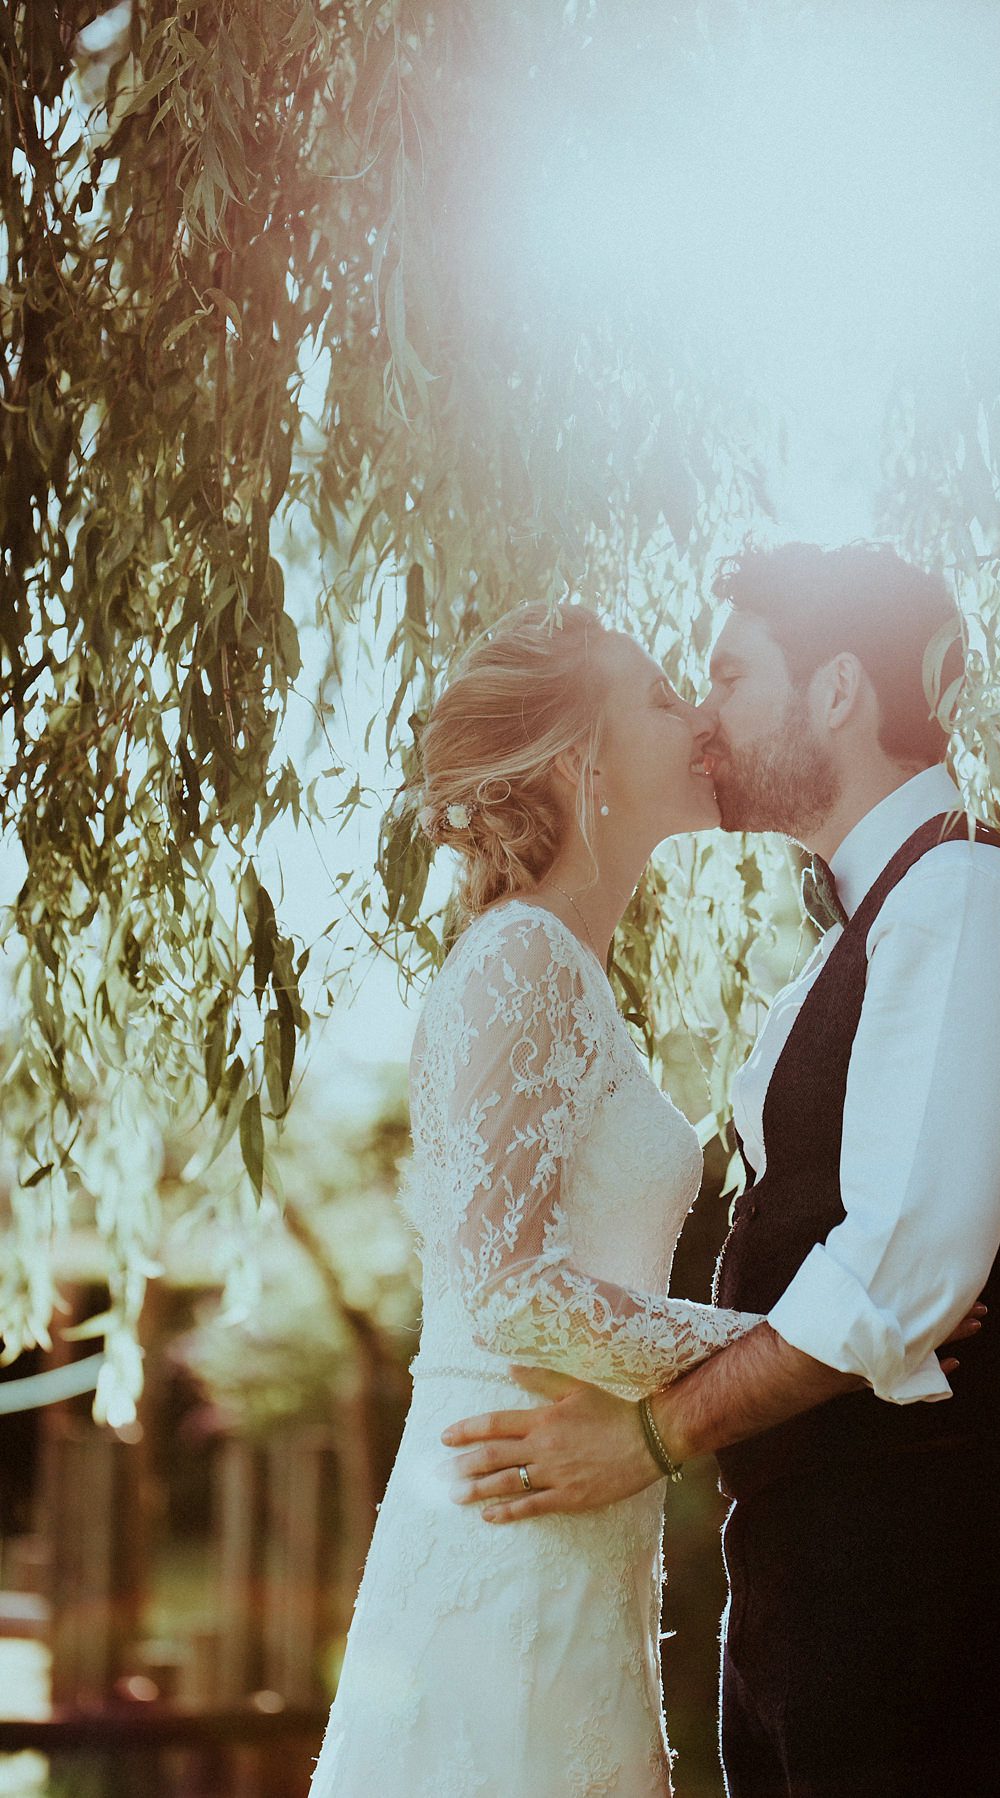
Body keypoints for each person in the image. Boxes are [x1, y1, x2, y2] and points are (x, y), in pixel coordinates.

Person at [443, 542, 1000, 1798]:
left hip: (928, 1529)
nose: (706, 716)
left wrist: (648, 1434)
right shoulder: (863, 929)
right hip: (835, 1537)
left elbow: (897, 1269)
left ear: (839, 690)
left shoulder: (960, 896)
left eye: (732, 674)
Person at [309, 602, 773, 1797]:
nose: (700, 716)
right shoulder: (520, 962)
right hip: (506, 1526)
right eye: (665, 698)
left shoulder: (566, 968)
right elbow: (507, 1289)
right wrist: (782, 1348)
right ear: (586, 759)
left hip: (574, 1525)